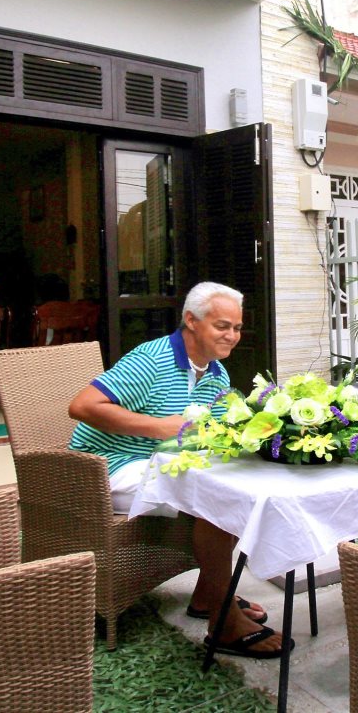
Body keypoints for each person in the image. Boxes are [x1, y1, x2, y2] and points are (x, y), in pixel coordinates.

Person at [67, 281, 289, 659]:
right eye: (222, 326)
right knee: (217, 498)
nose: (232, 335)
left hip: (161, 464)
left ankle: (207, 595)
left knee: (237, 486)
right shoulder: (151, 359)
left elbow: (218, 433)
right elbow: (82, 406)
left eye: (237, 327)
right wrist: (158, 427)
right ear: (191, 320)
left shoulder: (216, 375)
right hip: (108, 466)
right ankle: (223, 621)